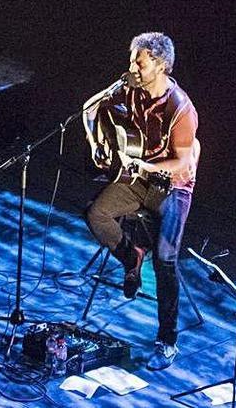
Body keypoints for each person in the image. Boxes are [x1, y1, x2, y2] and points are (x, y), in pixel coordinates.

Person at [82, 32, 199, 371]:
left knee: (165, 260)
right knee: (96, 214)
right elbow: (90, 108)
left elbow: (181, 162)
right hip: (136, 179)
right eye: (132, 59)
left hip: (172, 187)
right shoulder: (129, 88)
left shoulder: (181, 108)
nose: (132, 66)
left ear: (161, 65)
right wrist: (95, 143)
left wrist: (146, 166)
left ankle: (167, 340)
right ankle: (130, 254)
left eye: (140, 62)